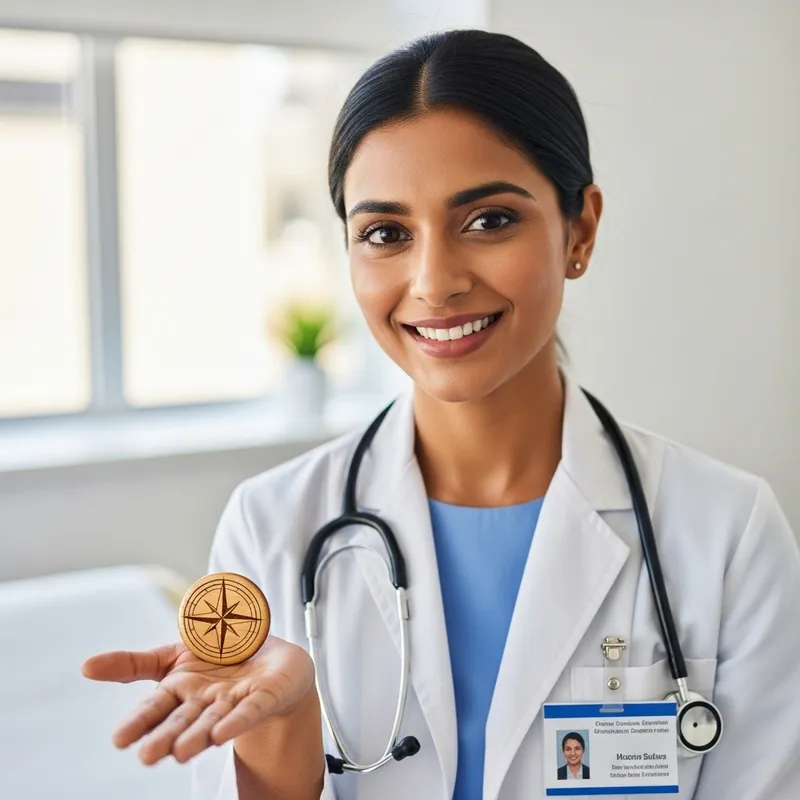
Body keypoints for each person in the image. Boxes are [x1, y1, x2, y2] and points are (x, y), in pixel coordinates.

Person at [81, 28, 800, 800]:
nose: (433, 283)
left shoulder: (726, 532)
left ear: (580, 230)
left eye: (488, 220)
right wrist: (280, 735)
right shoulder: (273, 525)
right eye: (386, 234)